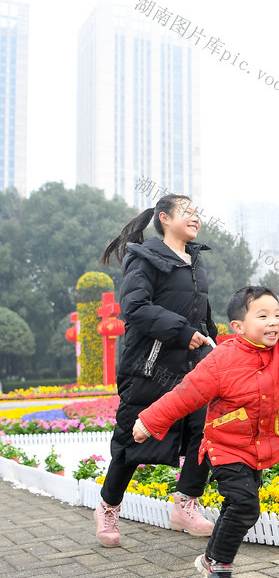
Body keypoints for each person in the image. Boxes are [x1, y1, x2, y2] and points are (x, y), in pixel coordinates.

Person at [132, 286, 279, 578]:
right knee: (246, 505)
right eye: (262, 315)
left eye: (277, 315)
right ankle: (220, 565)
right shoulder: (220, 360)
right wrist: (148, 421)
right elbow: (185, 395)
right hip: (225, 446)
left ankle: (211, 557)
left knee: (238, 505)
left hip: (260, 446)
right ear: (238, 327)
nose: (274, 322)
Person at [96, 194, 217, 547]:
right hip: (149, 366)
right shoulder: (145, 258)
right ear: (164, 218)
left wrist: (216, 343)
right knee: (134, 435)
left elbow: (201, 314)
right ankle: (108, 507)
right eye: (188, 212)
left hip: (190, 365)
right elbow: (133, 308)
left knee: (204, 427)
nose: (195, 218)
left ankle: (186, 504)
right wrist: (182, 332)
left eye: (198, 212)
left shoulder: (196, 261)